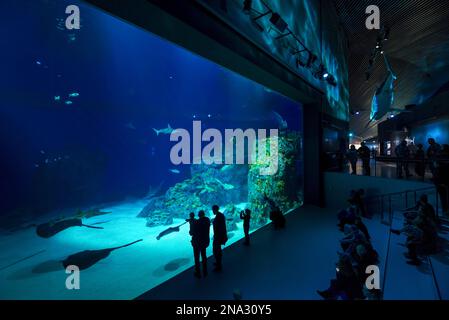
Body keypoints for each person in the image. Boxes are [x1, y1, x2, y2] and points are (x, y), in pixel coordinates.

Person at [192, 210, 210, 278]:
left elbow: (192, 233)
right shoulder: (207, 220)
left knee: (197, 257)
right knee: (204, 255)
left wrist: (192, 223)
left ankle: (198, 272)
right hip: (204, 241)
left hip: (197, 243)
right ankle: (205, 271)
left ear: (198, 215)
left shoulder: (196, 222)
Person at [212, 205, 227, 272]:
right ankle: (218, 262)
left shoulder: (219, 216)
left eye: (213, 210)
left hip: (218, 237)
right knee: (217, 250)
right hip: (218, 236)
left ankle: (219, 265)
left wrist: (220, 237)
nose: (212, 211)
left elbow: (220, 228)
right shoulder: (220, 215)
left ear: (215, 209)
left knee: (216, 250)